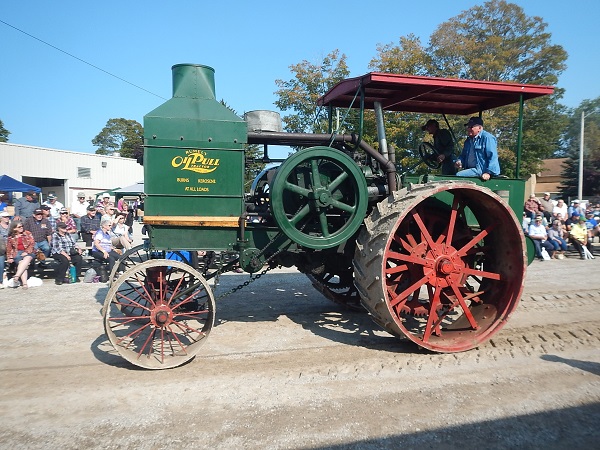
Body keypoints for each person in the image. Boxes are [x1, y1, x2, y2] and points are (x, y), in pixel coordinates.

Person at [5, 220, 35, 289]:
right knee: (22, 263)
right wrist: (9, 257)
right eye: (19, 227)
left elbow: (32, 244)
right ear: (14, 228)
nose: (21, 228)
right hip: (17, 252)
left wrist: (27, 252)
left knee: (27, 258)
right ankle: (24, 284)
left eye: (22, 226)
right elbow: (9, 248)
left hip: (29, 252)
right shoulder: (11, 237)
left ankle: (17, 276)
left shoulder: (27, 233)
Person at [0, 211, 10, 287]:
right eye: (5, 217)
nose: (7, 218)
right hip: (1, 247)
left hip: (11, 246)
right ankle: (1, 280)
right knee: (1, 263)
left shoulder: (11, 225)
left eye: (7, 217)